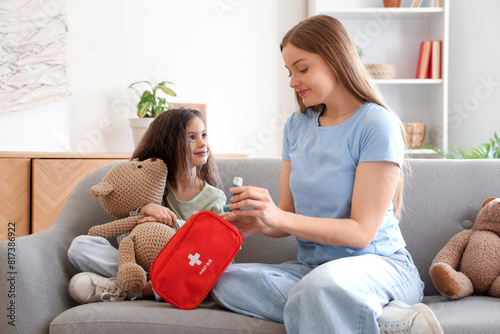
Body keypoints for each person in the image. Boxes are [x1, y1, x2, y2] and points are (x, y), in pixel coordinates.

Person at [210, 15, 443, 334]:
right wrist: (264, 221)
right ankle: (378, 316)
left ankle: (341, 302)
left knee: (320, 287)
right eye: (289, 72)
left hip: (379, 267)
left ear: (336, 58)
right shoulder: (296, 126)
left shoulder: (376, 124)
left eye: (302, 68)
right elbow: (289, 215)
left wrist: (280, 218)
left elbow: (361, 232)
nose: (293, 81)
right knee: (221, 279)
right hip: (313, 270)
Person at [67, 108, 226, 304]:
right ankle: (140, 282)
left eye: (204, 135)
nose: (203, 143)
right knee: (79, 246)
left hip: (181, 269)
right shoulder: (151, 184)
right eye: (191, 137)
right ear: (169, 144)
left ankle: (136, 290)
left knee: (218, 278)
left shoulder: (214, 198)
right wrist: (144, 210)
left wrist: (173, 223)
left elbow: (213, 249)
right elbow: (126, 238)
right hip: (141, 264)